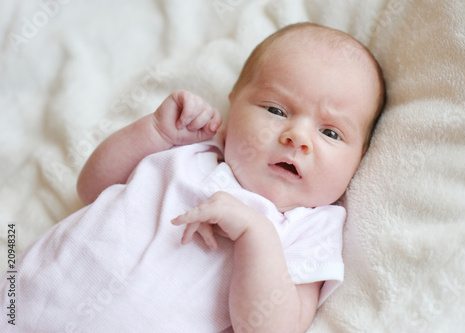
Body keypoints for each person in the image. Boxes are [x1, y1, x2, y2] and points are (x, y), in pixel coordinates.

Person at [1, 22, 385, 332]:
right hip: (28, 299)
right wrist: (154, 131)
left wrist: (256, 234)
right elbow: (91, 188)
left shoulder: (311, 227)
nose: (297, 137)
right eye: (275, 109)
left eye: (331, 133)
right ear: (233, 106)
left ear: (360, 158)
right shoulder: (189, 151)